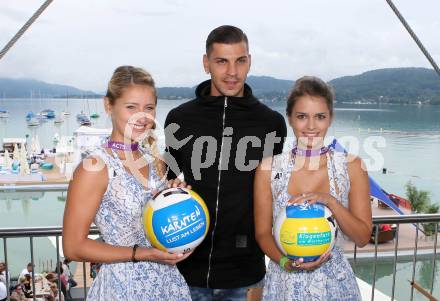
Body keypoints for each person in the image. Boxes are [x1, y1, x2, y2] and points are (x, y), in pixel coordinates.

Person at [165, 25, 286, 300]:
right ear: (206, 63)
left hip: (245, 272)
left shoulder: (271, 123)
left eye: (240, 61)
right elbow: (165, 184)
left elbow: (273, 190)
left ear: (249, 62)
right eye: (222, 61)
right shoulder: (179, 119)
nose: (232, 72)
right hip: (185, 271)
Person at [63, 66, 191, 300]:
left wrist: (179, 201)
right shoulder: (94, 168)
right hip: (123, 288)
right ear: (108, 105)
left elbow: (160, 227)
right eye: (131, 107)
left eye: (149, 108)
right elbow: (73, 247)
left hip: (168, 285)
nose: (141, 117)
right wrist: (144, 254)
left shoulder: (156, 162)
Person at [254, 76, 372, 300]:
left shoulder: (352, 167)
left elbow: (363, 237)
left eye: (320, 117)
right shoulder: (268, 169)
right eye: (302, 116)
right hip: (284, 285)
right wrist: (285, 263)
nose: (310, 126)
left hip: (335, 287)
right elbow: (262, 233)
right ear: (289, 118)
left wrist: (330, 201)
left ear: (330, 118)